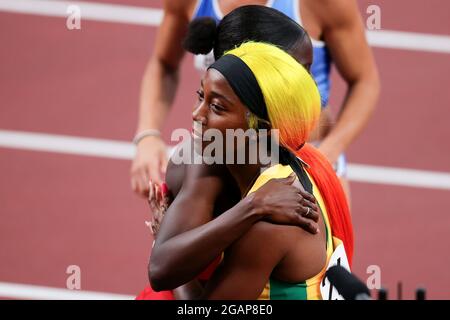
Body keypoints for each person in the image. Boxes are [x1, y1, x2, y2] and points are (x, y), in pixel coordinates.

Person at [137, 6, 327, 300]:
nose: (303, 82)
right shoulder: (210, 159)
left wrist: (252, 206)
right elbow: (163, 270)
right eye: (203, 98)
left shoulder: (281, 205)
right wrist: (252, 206)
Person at [131, 0, 380, 201]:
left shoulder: (323, 3)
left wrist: (326, 155)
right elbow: (164, 63)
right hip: (223, 162)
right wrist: (147, 135)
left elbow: (365, 81)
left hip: (306, 164)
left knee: (315, 263)